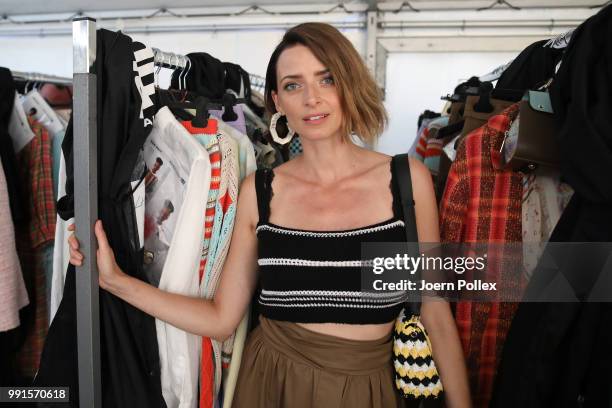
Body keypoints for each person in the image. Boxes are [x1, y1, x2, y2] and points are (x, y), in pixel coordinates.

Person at [68, 23, 471, 407]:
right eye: (294, 85)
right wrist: (117, 282)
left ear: (349, 84)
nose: (312, 98)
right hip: (271, 384)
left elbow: (435, 311)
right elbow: (222, 319)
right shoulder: (260, 191)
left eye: (326, 79)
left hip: (371, 387)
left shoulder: (405, 180)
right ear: (276, 101)